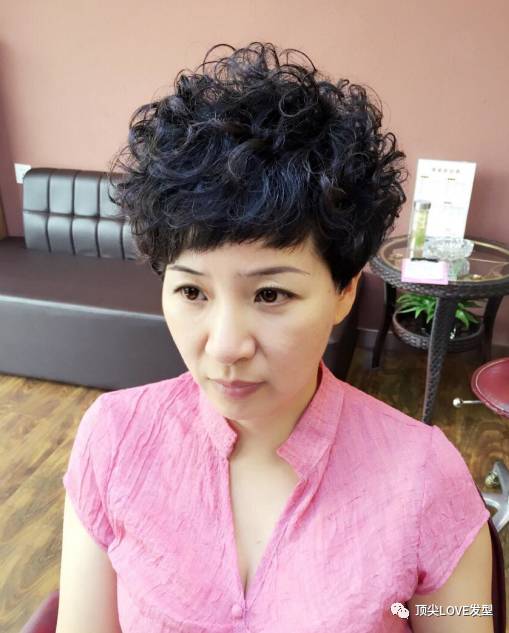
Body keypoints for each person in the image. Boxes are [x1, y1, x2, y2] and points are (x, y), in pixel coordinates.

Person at [56, 42, 493, 633]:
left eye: (270, 295)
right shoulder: (114, 439)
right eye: (192, 291)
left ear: (344, 291)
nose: (224, 347)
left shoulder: (423, 478)